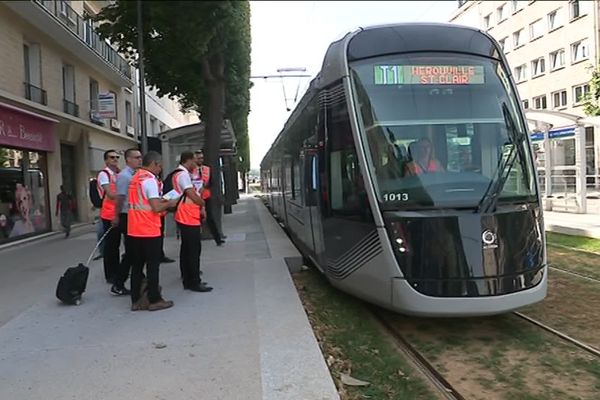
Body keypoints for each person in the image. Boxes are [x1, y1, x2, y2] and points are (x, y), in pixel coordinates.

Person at [128, 151, 178, 311]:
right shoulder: (149, 181)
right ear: (154, 164)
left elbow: (141, 203)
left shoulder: (135, 178)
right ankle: (154, 299)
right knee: (152, 266)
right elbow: (156, 207)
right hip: (149, 230)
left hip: (134, 230)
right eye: (160, 166)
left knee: (136, 267)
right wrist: (170, 204)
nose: (160, 169)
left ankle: (135, 301)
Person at [173, 151, 213, 292]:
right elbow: (191, 194)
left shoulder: (179, 173)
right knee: (193, 250)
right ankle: (194, 281)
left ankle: (187, 278)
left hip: (185, 215)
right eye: (194, 161)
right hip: (188, 216)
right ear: (188, 160)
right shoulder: (183, 175)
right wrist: (202, 203)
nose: (195, 164)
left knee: (186, 249)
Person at [111, 148, 143, 295]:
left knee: (134, 250)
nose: (140, 160)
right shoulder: (124, 176)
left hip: (134, 216)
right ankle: (118, 283)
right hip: (126, 216)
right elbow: (120, 198)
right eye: (136, 157)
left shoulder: (135, 174)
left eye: (140, 157)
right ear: (128, 159)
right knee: (131, 251)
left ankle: (137, 278)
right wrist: (116, 216)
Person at [97, 149, 129, 294]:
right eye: (112, 157)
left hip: (120, 212)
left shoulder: (118, 173)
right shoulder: (104, 174)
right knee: (111, 246)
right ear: (106, 160)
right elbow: (109, 194)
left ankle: (118, 271)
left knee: (120, 244)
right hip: (109, 214)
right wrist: (123, 196)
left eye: (117, 157)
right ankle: (111, 274)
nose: (115, 159)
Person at [194, 150, 225, 246]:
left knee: (210, 218)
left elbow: (212, 182)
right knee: (195, 219)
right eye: (199, 158)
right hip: (194, 198)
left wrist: (206, 187)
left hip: (206, 197)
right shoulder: (191, 170)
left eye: (202, 158)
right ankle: (196, 239)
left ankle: (218, 239)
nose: (201, 160)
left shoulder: (207, 169)